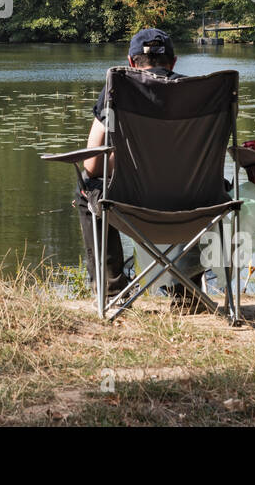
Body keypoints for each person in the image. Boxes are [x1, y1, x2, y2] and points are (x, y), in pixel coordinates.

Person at [77, 28, 190, 295]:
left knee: (86, 187)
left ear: (130, 61)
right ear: (174, 62)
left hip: (131, 203)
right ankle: (188, 293)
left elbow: (92, 165)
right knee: (214, 188)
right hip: (194, 204)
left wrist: (130, 163)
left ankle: (112, 290)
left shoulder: (117, 89)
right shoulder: (198, 92)